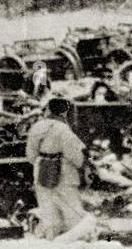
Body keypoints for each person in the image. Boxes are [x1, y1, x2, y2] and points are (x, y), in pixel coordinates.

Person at [25, 97, 88, 238]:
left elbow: (30, 156)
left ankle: (50, 243)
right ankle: (76, 243)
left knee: (49, 215)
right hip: (64, 176)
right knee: (73, 214)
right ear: (64, 112)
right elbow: (76, 157)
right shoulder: (64, 130)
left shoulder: (37, 127)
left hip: (41, 173)